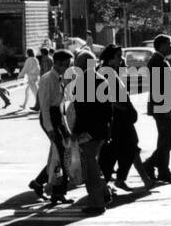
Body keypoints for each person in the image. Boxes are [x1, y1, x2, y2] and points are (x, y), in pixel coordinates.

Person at [98, 44, 154, 192]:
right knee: (115, 152)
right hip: (116, 120)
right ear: (110, 58)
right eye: (118, 56)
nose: (121, 58)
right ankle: (108, 182)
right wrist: (117, 106)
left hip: (124, 119)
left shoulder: (112, 72)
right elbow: (102, 96)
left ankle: (125, 179)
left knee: (131, 148)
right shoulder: (105, 73)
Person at [70, 49, 112, 214]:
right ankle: (103, 192)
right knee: (94, 164)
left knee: (90, 169)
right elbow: (109, 110)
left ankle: (96, 202)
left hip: (88, 131)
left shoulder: (82, 82)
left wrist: (75, 131)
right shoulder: (102, 80)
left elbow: (81, 112)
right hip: (101, 130)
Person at [30, 50, 73, 202]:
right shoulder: (47, 79)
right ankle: (58, 192)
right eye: (67, 65)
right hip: (50, 118)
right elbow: (45, 106)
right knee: (62, 154)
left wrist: (66, 127)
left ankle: (38, 182)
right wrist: (50, 129)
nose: (68, 68)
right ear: (58, 63)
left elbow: (61, 104)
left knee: (61, 154)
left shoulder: (60, 78)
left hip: (58, 117)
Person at [142, 35, 171, 185]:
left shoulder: (160, 61)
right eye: (168, 44)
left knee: (164, 139)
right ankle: (149, 164)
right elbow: (160, 87)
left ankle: (164, 172)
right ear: (161, 46)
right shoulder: (157, 62)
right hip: (161, 106)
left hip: (162, 106)